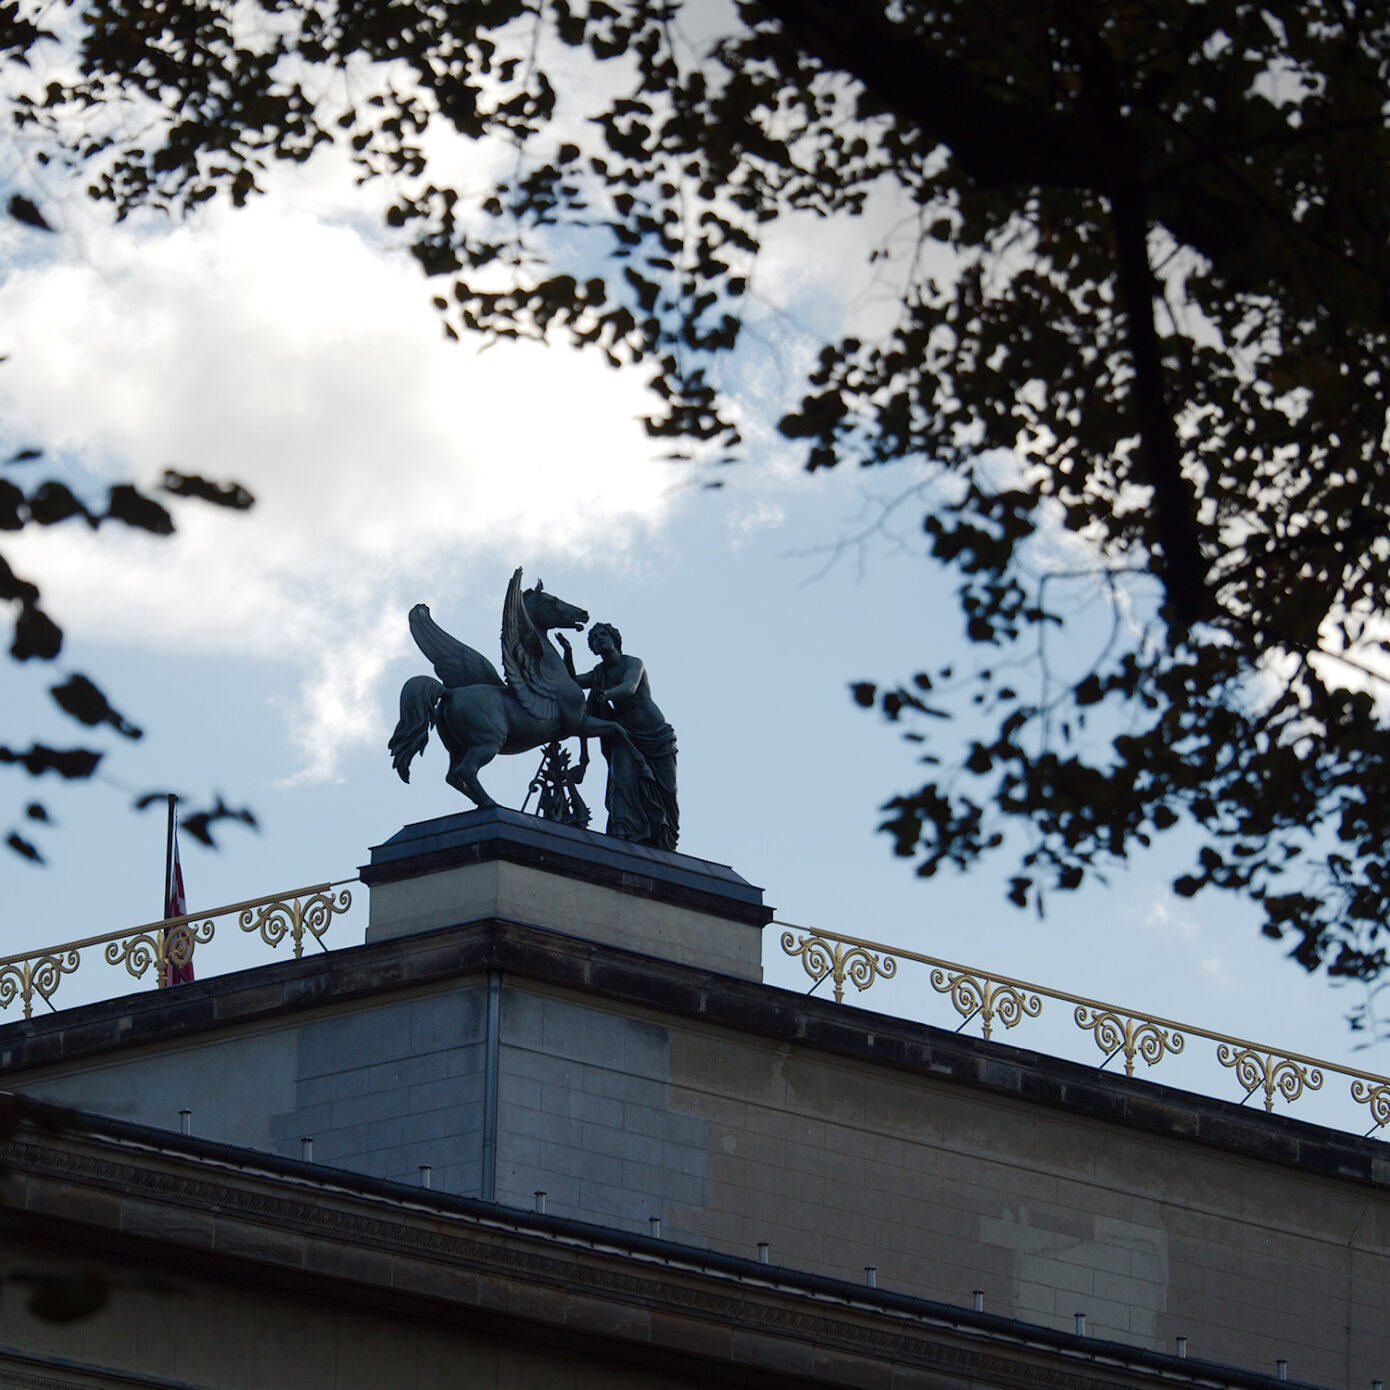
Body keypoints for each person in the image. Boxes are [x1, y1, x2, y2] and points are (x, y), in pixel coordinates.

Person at [575, 622, 678, 850]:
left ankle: (663, 838)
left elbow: (629, 687)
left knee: (666, 793)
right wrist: (565, 654)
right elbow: (571, 682)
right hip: (625, 737)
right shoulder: (598, 673)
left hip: (656, 736)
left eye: (603, 634)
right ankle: (624, 834)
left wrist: (607, 694)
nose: (599, 639)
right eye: (594, 638)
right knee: (621, 782)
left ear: (614, 639)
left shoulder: (632, 663)